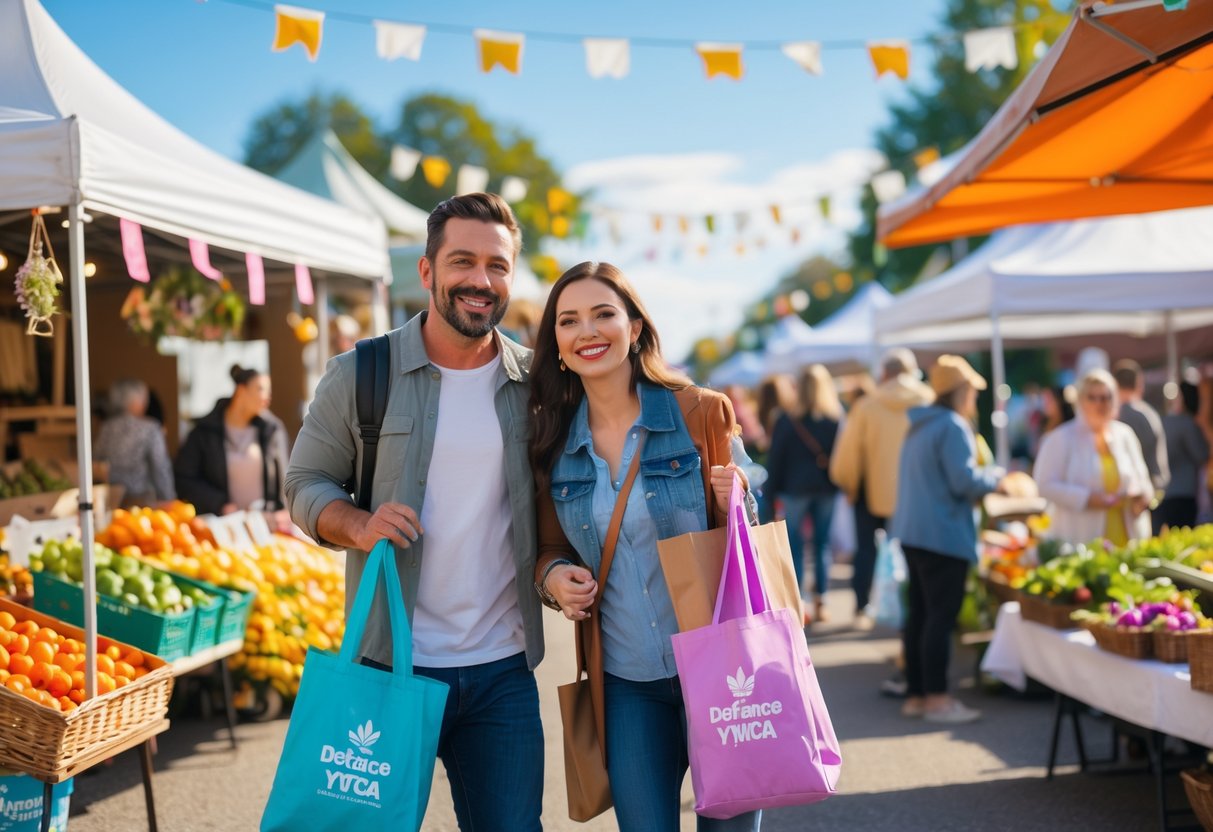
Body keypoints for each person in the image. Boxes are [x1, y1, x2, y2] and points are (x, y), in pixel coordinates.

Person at [284, 193, 544, 831]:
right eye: (462, 261)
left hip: (501, 670)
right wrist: (357, 524)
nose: (481, 281)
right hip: (388, 665)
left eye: (498, 266)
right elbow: (303, 482)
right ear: (426, 272)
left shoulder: (537, 384)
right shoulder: (361, 373)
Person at [530, 261, 759, 832]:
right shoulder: (551, 441)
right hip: (627, 684)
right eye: (569, 320)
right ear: (556, 344)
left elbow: (747, 545)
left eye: (604, 314)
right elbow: (548, 549)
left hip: (721, 672)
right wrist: (554, 578)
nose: (588, 331)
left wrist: (742, 501)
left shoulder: (700, 412)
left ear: (634, 328)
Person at [893, 356, 1005, 725]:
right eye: (972, 389)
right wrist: (996, 477)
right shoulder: (953, 426)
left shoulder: (920, 425)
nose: (974, 396)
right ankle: (937, 699)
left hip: (914, 531)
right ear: (962, 391)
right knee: (939, 618)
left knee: (922, 616)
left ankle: (917, 695)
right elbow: (964, 482)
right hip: (941, 534)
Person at [830, 347, 933, 630]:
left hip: (870, 494)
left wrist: (849, 484)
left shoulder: (866, 406)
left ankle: (862, 606)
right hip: (917, 494)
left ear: (884, 373)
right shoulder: (928, 400)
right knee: (916, 553)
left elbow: (848, 455)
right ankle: (915, 607)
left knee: (866, 550)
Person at [1034, 369, 1153, 546]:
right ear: (1081, 401)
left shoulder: (1124, 434)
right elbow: (1044, 485)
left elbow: (1144, 480)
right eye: (1092, 397)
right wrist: (1087, 498)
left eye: (1106, 397)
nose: (1100, 403)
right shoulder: (1060, 438)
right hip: (1080, 539)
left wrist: (1141, 497)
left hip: (1126, 535)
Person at [766, 364, 840, 625]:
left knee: (795, 547)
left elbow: (775, 460)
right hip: (826, 488)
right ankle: (822, 600)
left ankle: (800, 604)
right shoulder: (834, 420)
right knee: (821, 545)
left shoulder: (786, 420)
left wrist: (771, 493)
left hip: (793, 490)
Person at [174, 365, 289, 519]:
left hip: (265, 526)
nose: (267, 397)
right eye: (261, 389)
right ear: (241, 391)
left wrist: (283, 510)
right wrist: (219, 504)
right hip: (221, 527)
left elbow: (285, 476)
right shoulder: (204, 432)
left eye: (269, 391)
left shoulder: (272, 430)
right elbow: (184, 479)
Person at [96, 378, 176, 507]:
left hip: (112, 500)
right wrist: (169, 497)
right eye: (143, 399)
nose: (146, 403)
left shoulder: (106, 428)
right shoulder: (150, 428)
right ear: (134, 401)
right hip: (143, 501)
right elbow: (160, 467)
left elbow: (97, 461)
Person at [1112, 359, 1169, 532]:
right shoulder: (1148, 414)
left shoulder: (1118, 415)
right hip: (1150, 495)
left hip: (1129, 501)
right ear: (1139, 383)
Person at [1156, 381, 1210, 530]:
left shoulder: (1162, 422)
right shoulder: (1187, 424)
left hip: (1166, 493)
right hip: (1185, 493)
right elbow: (1201, 456)